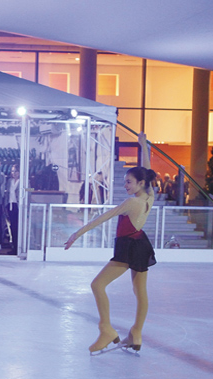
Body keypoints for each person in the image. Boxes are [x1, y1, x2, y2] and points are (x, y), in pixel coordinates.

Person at [64, 133, 156, 354]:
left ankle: (106, 329)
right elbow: (147, 171)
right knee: (140, 291)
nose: (125, 185)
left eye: (129, 182)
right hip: (141, 245)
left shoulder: (132, 202)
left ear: (140, 183)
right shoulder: (149, 195)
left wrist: (77, 233)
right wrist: (143, 146)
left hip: (128, 247)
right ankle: (136, 332)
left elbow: (103, 217)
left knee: (97, 285)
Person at [3, 164, 21, 255]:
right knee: (12, 227)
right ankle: (14, 247)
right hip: (10, 205)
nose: (14, 173)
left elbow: (30, 191)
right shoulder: (9, 181)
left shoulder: (24, 181)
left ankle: (19, 248)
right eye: (13, 171)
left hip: (19, 206)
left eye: (16, 171)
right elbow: (6, 193)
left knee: (18, 227)